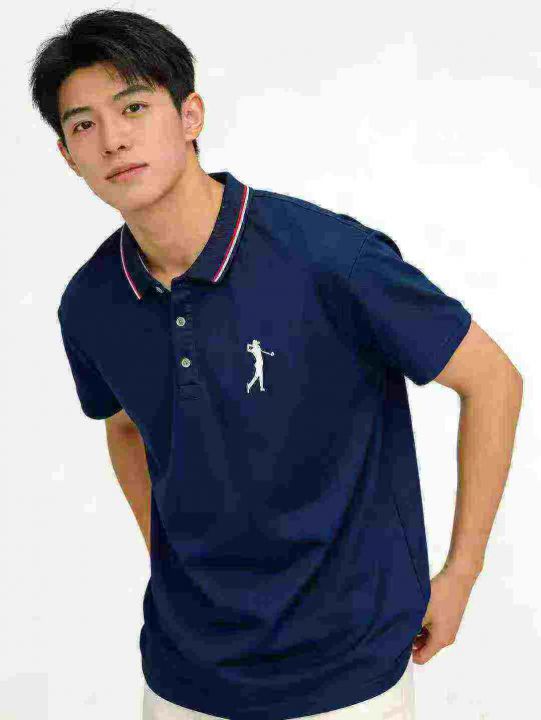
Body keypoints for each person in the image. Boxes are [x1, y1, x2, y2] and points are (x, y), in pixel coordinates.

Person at [29, 9, 523, 720]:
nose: (113, 139)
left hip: (348, 679)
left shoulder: (327, 257)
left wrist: (461, 574)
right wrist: (171, 560)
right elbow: (126, 428)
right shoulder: (91, 303)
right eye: (84, 125)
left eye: (133, 107)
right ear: (67, 155)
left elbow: (492, 380)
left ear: (190, 115)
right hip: (183, 680)